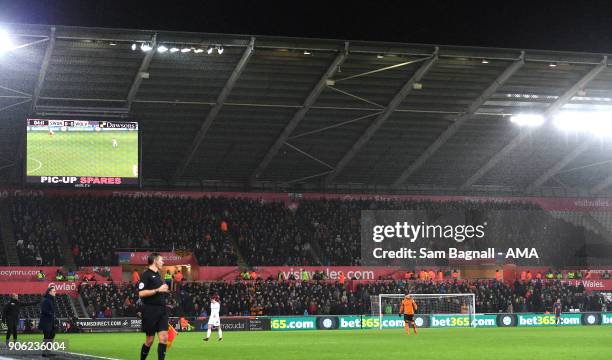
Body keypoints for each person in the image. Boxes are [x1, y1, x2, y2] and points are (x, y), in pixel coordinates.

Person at [138, 253, 170, 360]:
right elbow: (141, 293)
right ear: (155, 261)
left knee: (164, 338)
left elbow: (160, 289)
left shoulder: (159, 275)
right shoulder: (146, 274)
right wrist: (157, 290)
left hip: (162, 310)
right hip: (150, 310)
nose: (163, 262)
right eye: (161, 260)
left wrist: (164, 289)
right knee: (150, 340)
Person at [38, 286, 57, 357]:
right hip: (46, 321)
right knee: (47, 336)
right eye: (54, 291)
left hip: (51, 321)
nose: (55, 292)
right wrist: (51, 314)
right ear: (50, 292)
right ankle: (44, 352)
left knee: (52, 335)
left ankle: (48, 351)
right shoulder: (46, 300)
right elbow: (44, 310)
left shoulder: (51, 299)